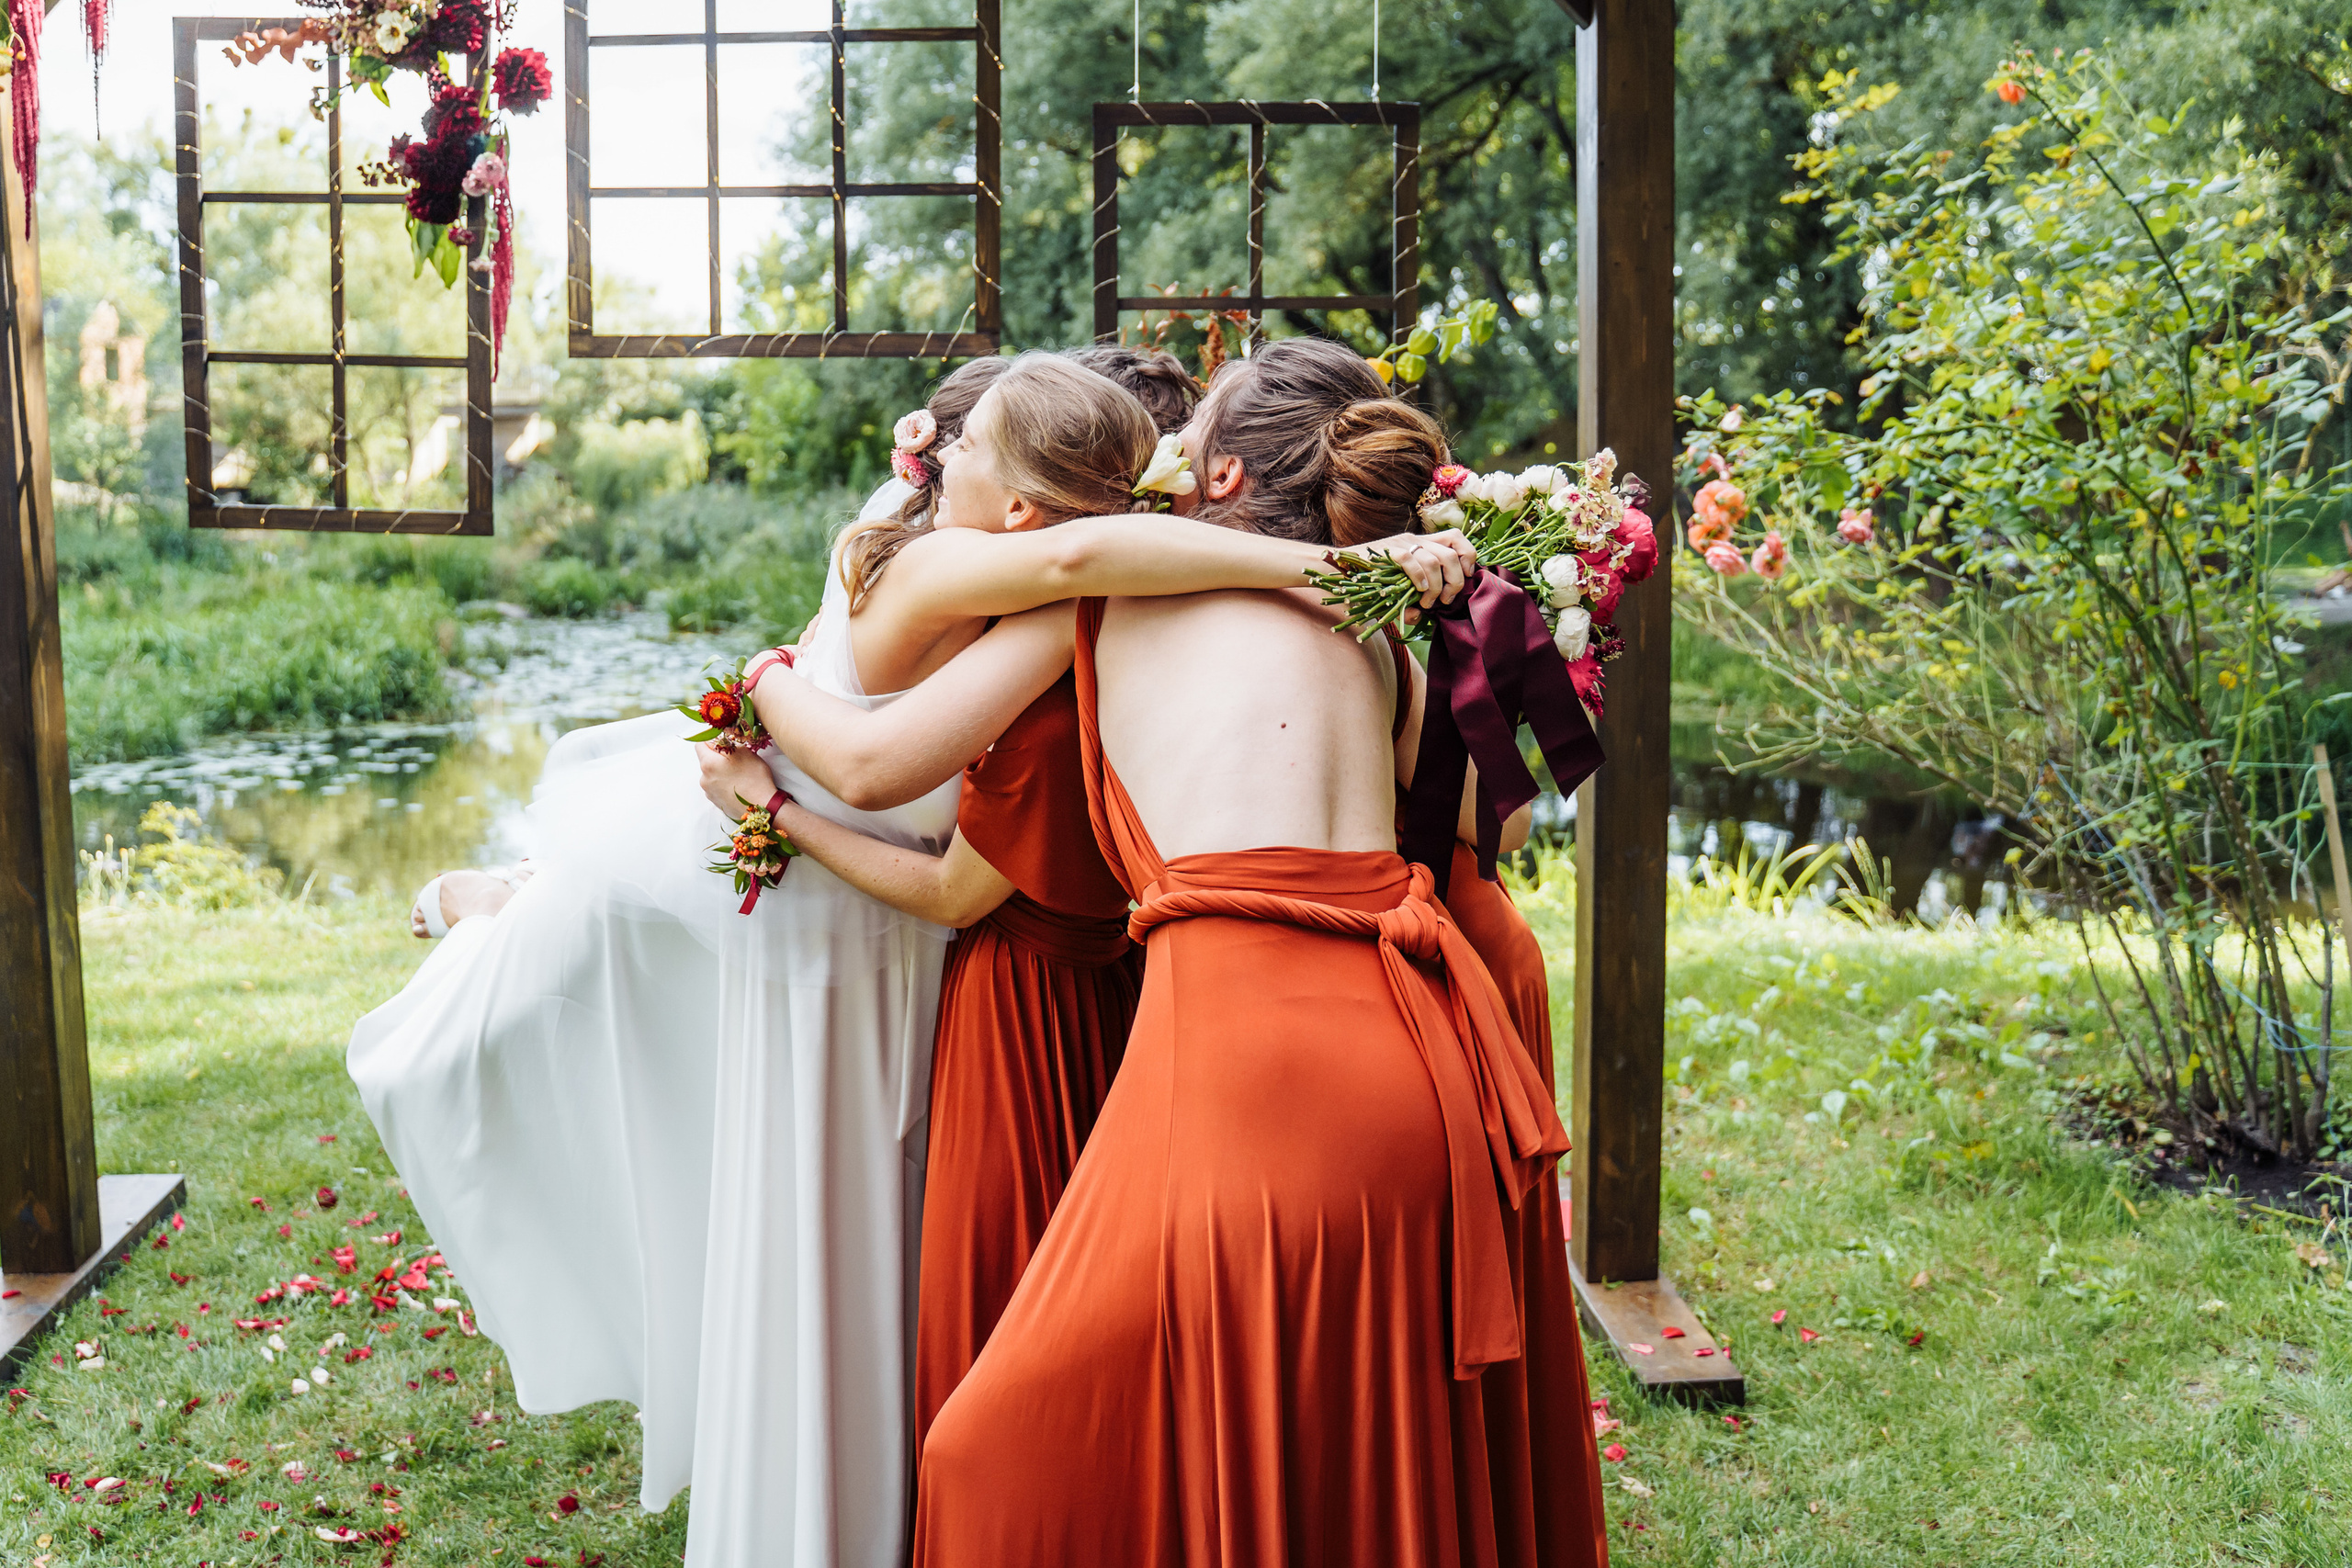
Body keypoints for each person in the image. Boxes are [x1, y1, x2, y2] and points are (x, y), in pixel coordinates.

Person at [352, 350, 1474, 1568]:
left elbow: (1071, 590)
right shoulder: (964, 563)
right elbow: (978, 687)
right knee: (631, 1014)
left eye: (972, 442)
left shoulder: (1060, 597)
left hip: (927, 950)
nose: (934, 452)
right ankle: (497, 904)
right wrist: (774, 701)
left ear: (1029, 500)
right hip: (837, 917)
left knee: (889, 1251)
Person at [740, 338, 1609, 1564]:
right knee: (1346, 1447)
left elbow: (880, 760)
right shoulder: (1372, 635)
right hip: (1428, 1065)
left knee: (982, 1456)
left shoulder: (1113, 592)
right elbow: (1493, 822)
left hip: (1249, 1070)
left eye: (1190, 430)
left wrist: (767, 685)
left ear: (1218, 478)